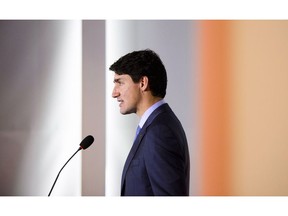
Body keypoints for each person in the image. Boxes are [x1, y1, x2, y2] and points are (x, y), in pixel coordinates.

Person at [109, 49, 190, 196]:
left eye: (120, 83)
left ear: (142, 83)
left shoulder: (159, 132)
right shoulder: (158, 124)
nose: (114, 93)